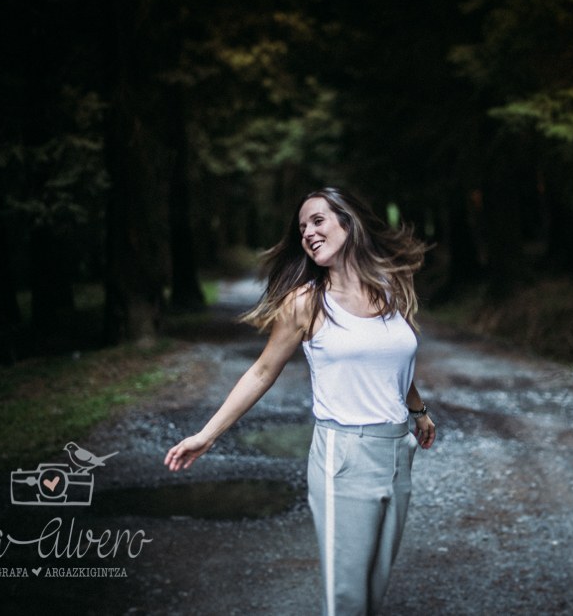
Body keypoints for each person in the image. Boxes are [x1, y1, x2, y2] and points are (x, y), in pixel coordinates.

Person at [164, 187, 436, 616]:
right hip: (344, 457)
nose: (308, 232)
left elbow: (391, 363)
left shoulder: (388, 288)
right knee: (346, 599)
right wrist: (207, 435)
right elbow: (262, 371)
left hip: (397, 452)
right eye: (302, 227)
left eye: (317, 220)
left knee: (374, 588)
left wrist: (418, 412)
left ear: (348, 222)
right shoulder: (306, 301)